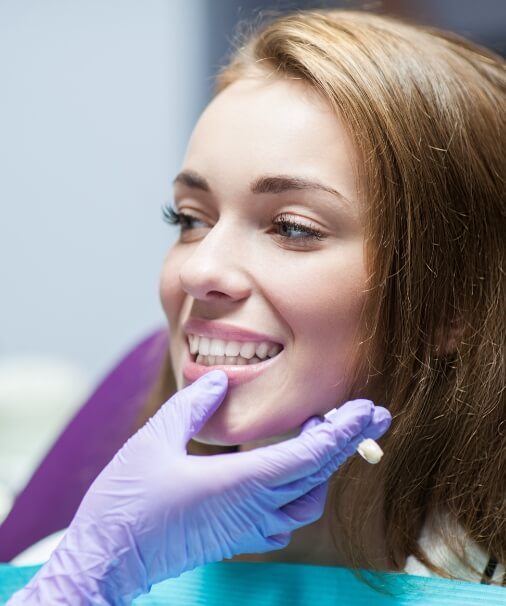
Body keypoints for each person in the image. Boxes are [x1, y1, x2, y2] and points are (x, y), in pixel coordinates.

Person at [7, 7, 506, 604]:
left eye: (292, 228)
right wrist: (90, 576)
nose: (197, 270)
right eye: (190, 219)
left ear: (451, 307)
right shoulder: (68, 571)